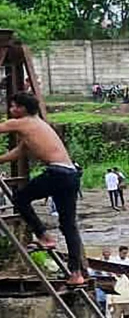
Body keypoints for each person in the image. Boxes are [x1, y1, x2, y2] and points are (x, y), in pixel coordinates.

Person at [0, 92, 87, 286]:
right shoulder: (36, 124)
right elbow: (18, 152)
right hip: (70, 174)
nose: (11, 110)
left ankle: (43, 236)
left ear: (22, 108)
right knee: (68, 225)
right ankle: (76, 273)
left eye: (14, 106)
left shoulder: (22, 122)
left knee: (20, 199)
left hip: (57, 173)